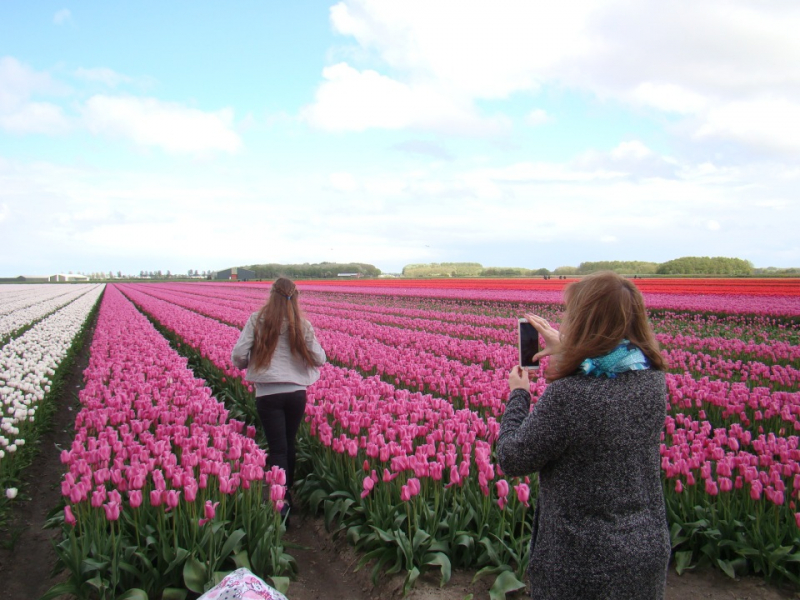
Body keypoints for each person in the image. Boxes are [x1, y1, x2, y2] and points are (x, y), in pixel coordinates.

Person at [496, 271, 670, 600]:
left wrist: (519, 395)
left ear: (585, 322)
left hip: (581, 564)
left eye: (571, 314)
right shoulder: (653, 380)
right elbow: (608, 385)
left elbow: (512, 457)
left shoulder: (570, 396)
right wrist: (569, 351)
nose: (566, 319)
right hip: (644, 552)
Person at [231, 277, 326, 524]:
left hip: (268, 394)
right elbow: (320, 358)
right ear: (295, 297)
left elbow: (239, 355)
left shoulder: (257, 320)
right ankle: (287, 493)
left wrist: (247, 364)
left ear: (271, 295)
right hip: (296, 393)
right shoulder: (301, 324)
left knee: (278, 448)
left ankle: (279, 499)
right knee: (289, 443)